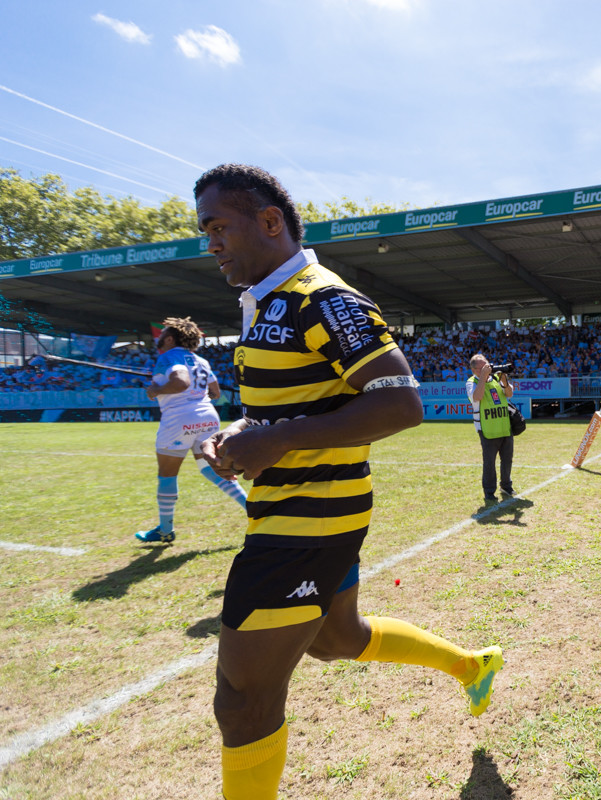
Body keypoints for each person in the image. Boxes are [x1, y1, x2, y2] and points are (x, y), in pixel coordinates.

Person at [193, 164, 502, 800]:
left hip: (309, 521)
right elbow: (288, 407)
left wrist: (272, 440)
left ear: (270, 221)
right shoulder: (265, 304)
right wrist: (237, 434)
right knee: (338, 640)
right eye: (205, 231)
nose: (211, 244)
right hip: (301, 508)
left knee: (242, 699)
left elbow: (400, 401)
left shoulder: (320, 298)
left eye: (219, 227)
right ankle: (471, 664)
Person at [135, 316, 248, 543]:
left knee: (167, 475)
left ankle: (165, 530)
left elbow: (181, 382)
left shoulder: (168, 356)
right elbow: (215, 391)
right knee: (211, 468)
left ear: (168, 339)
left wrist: (157, 389)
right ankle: (253, 508)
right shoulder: (200, 360)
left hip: (178, 418)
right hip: (207, 416)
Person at [467, 355, 516, 502]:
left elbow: (509, 394)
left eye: (488, 365)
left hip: (504, 426)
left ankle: (506, 486)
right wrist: (482, 378)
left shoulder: (495, 379)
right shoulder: (471, 382)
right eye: (483, 367)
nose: (488, 369)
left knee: (507, 460)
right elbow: (477, 397)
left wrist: (504, 381)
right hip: (487, 429)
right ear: (474, 370)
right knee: (489, 463)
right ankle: (489, 491)